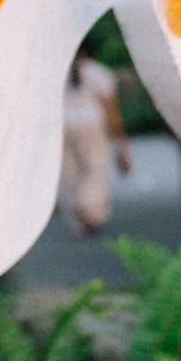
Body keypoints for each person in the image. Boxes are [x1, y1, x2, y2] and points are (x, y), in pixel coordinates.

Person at [61, 54, 130, 236]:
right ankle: (87, 205)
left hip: (63, 125)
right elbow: (109, 106)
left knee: (71, 173)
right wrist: (120, 140)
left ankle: (79, 221)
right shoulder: (97, 72)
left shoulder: (59, 71)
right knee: (95, 169)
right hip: (90, 124)